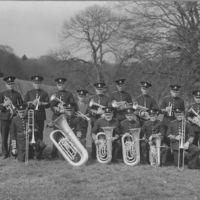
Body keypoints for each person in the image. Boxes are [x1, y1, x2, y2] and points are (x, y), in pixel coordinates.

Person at [50, 77, 76, 158]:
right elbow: (51, 106)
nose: (60, 86)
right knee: (56, 135)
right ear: (57, 85)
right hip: (56, 117)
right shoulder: (54, 94)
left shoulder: (69, 94)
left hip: (66, 117)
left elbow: (72, 105)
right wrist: (56, 109)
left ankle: (65, 153)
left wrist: (64, 109)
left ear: (64, 85)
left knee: (66, 135)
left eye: (62, 84)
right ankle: (54, 154)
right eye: (59, 85)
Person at [0, 76, 23, 159]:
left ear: (13, 84)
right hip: (4, 118)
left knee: (13, 136)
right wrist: (4, 104)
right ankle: (4, 153)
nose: (10, 85)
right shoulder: (2, 94)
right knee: (4, 137)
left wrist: (14, 107)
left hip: (13, 118)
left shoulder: (17, 94)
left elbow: (21, 105)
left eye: (12, 84)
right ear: (6, 85)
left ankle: (12, 152)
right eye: (8, 84)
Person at [24, 75, 49, 141]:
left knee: (40, 133)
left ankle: (39, 150)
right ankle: (31, 150)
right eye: (35, 83)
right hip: (31, 116)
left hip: (40, 116)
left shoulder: (44, 93)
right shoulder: (29, 92)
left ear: (40, 83)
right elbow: (24, 103)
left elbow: (48, 104)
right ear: (33, 84)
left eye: (38, 83)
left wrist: (41, 103)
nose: (37, 84)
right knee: (31, 132)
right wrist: (32, 102)